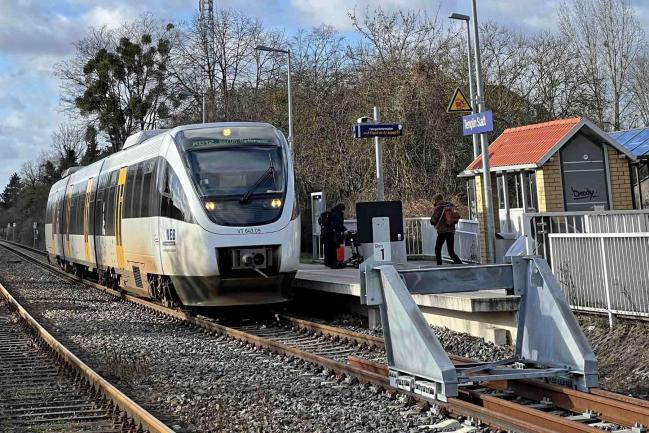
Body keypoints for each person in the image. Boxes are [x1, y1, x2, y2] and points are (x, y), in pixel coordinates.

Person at [431, 194, 462, 266]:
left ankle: (439, 266)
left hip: (442, 232)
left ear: (436, 200)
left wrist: (432, 221)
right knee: (451, 252)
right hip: (451, 231)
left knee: (437, 249)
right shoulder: (449, 205)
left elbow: (433, 220)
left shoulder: (438, 207)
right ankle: (460, 265)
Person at [320, 204, 347, 268]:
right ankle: (334, 263)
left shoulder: (330, 213)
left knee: (328, 249)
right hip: (333, 235)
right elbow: (337, 224)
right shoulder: (337, 214)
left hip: (326, 235)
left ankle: (327, 262)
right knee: (334, 249)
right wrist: (344, 230)